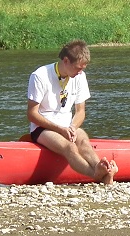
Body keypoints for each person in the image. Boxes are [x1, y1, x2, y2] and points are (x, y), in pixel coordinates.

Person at [27, 39, 117, 184]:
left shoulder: (80, 76)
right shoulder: (40, 76)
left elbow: (80, 111)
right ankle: (96, 174)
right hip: (43, 129)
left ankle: (102, 169)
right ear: (66, 60)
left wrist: (72, 127)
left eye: (83, 68)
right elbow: (32, 114)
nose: (80, 72)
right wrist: (59, 129)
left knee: (83, 141)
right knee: (70, 147)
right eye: (78, 68)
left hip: (68, 126)